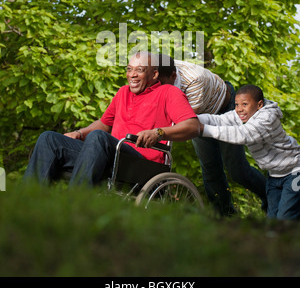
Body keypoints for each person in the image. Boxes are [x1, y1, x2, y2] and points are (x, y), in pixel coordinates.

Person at [23, 52, 200, 186]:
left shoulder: (169, 93)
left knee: (98, 138)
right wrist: (80, 132)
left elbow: (193, 126)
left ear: (154, 75)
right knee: (49, 138)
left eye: (139, 70)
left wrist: (159, 133)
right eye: (129, 69)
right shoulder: (123, 92)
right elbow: (104, 124)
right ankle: (28, 204)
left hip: (141, 162)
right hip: (108, 155)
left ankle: (73, 206)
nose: (132, 75)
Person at [158, 55, 267, 216]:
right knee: (210, 169)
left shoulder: (194, 81)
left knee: (237, 170)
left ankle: (274, 198)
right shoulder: (157, 75)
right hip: (199, 116)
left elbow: (183, 125)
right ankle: (224, 215)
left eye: (162, 84)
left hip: (223, 109)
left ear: (173, 76)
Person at [197, 84, 300, 220]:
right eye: (237, 105)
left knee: (285, 218)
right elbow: (218, 120)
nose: (239, 109)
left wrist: (203, 129)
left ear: (259, 105)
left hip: (294, 173)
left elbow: (243, 134)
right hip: (274, 176)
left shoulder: (267, 118)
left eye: (244, 104)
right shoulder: (243, 113)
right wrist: (190, 119)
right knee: (273, 220)